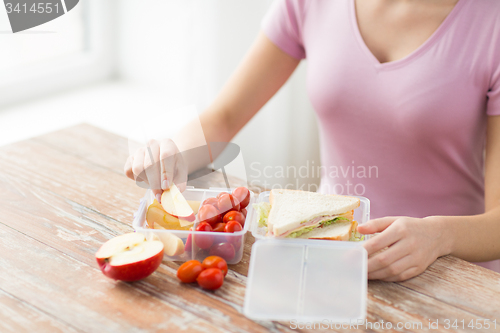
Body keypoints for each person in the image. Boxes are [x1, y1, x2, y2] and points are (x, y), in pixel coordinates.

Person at [124, 0, 500, 281]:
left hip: (452, 270)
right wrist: (174, 154)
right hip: (322, 250)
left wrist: (440, 236)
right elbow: (222, 119)